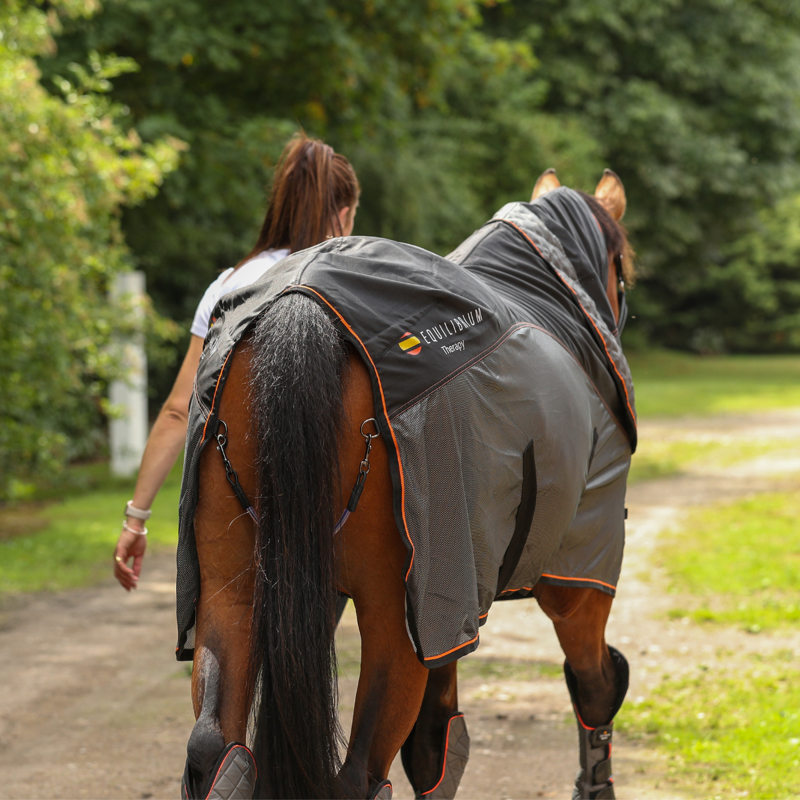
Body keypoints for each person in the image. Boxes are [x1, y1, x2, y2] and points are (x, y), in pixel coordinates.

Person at [113, 133, 360, 590]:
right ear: (343, 214)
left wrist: (136, 519)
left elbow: (177, 409)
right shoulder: (355, 281)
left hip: (236, 486)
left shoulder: (228, 286)